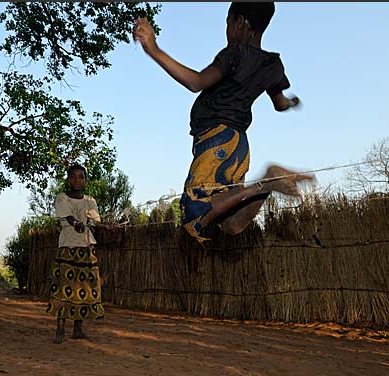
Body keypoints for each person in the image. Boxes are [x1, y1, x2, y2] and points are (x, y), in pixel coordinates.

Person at [133, 2, 314, 244]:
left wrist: (153, 49)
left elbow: (196, 82)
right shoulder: (273, 65)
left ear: (240, 22)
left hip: (215, 138)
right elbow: (280, 104)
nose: (227, 31)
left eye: (228, 24)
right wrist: (292, 102)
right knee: (231, 223)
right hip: (238, 144)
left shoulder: (234, 54)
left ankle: (266, 181)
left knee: (194, 213)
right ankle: (266, 182)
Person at [46, 164, 108, 344]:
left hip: (87, 248)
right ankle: (60, 329)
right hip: (68, 247)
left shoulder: (90, 201)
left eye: (81, 176)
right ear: (68, 179)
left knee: (84, 288)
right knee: (64, 287)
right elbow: (69, 218)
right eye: (73, 176)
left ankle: (78, 329)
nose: (77, 180)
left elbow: (95, 223)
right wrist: (77, 224)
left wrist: (108, 227)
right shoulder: (61, 198)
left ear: (85, 180)